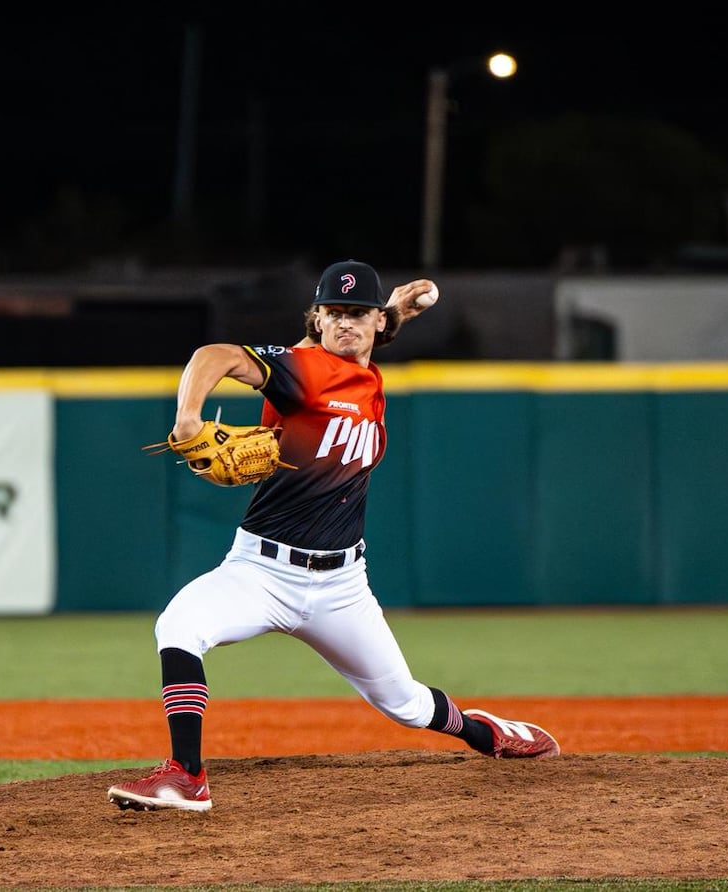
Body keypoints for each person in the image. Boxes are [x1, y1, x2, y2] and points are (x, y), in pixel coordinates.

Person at [107, 260, 559, 812]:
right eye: (334, 313)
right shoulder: (302, 370)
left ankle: (487, 733)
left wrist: (395, 311)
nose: (346, 322)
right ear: (316, 319)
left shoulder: (366, 374)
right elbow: (213, 355)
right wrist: (188, 418)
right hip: (260, 573)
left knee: (407, 705)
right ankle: (186, 775)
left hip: (342, 588)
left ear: (375, 323)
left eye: (357, 314)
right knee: (178, 624)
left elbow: (362, 342)